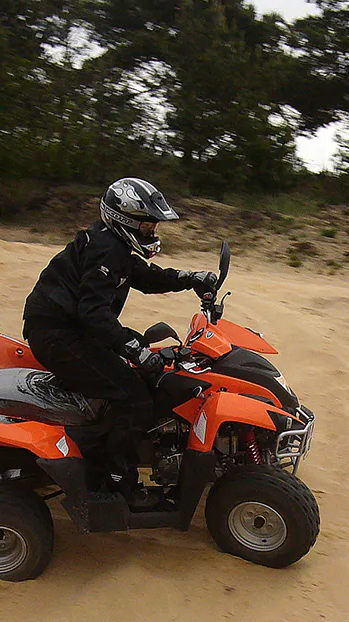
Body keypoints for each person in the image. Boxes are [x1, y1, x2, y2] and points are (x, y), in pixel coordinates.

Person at [22, 177, 218, 502]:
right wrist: (133, 347)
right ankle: (114, 479)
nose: (151, 232)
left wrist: (189, 279)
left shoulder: (113, 245)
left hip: (68, 329)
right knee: (134, 397)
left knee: (139, 368)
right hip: (58, 334)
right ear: (126, 220)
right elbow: (93, 314)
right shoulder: (106, 250)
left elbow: (146, 277)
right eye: (147, 225)